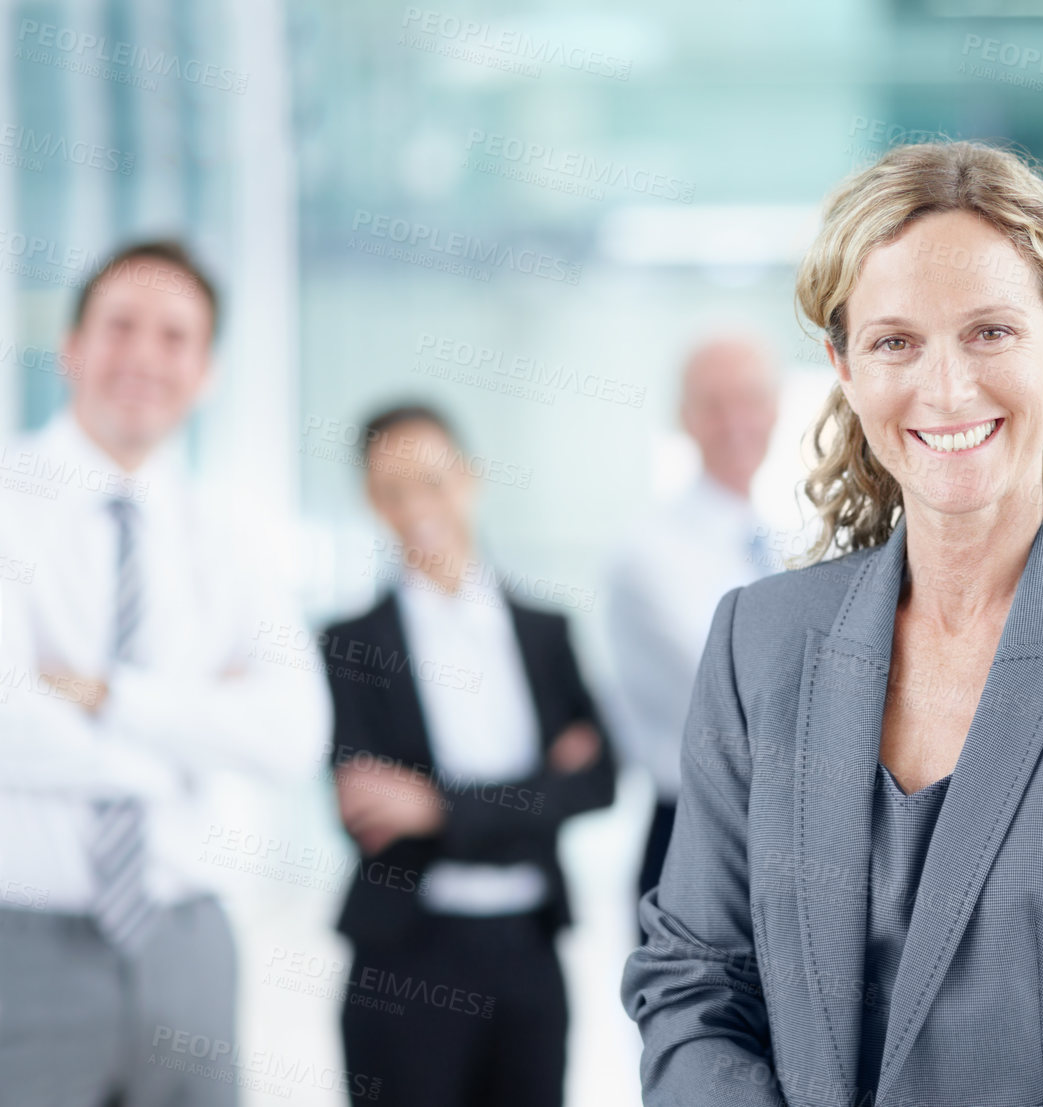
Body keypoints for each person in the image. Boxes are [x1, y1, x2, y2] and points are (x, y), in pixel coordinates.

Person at [621, 140, 1043, 1107]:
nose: (946, 389)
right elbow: (692, 983)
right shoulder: (757, 644)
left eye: (989, 332)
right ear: (845, 369)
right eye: (896, 341)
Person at [0, 241, 328, 1105]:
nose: (145, 357)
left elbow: (294, 734)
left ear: (207, 371)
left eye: (175, 337)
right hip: (23, 941)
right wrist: (188, 739)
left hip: (189, 940)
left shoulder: (230, 533)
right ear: (70, 348)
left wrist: (108, 695)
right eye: (120, 327)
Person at [325, 404, 617, 1107]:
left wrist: (437, 808)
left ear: (471, 478)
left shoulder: (546, 632)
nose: (417, 507)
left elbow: (600, 780)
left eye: (433, 481)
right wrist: (534, 792)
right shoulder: (350, 644)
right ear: (372, 501)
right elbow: (363, 810)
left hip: (529, 950)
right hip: (404, 955)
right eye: (392, 491)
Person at [600, 335, 780, 941]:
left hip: (790, 838)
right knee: (697, 1032)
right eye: (713, 404)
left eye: (751, 399)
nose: (736, 422)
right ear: (682, 419)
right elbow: (743, 692)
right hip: (694, 839)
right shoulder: (648, 554)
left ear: (777, 407)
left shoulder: (788, 539)